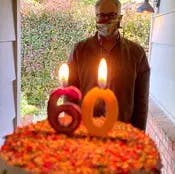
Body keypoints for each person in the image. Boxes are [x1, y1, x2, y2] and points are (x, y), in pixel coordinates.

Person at [67, 0, 150, 131]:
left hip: (122, 130)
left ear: (119, 17)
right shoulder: (79, 50)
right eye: (101, 15)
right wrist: (70, 127)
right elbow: (70, 94)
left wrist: (138, 135)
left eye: (111, 15)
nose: (106, 20)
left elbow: (141, 101)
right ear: (95, 17)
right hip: (86, 130)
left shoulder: (136, 53)